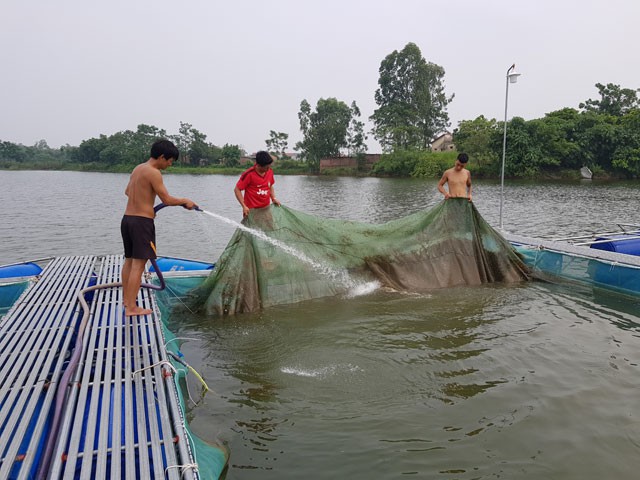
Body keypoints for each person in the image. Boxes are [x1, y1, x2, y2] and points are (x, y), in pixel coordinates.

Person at [121, 139, 198, 317]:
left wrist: (143, 202)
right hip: (142, 223)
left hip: (127, 219)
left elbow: (127, 192)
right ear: (162, 157)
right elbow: (167, 200)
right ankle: (131, 308)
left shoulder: (138, 168)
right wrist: (185, 201)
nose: (170, 164)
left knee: (130, 261)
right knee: (139, 266)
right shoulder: (154, 172)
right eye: (170, 160)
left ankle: (127, 300)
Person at [234, 150, 281, 218]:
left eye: (269, 166)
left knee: (270, 227)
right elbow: (237, 189)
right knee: (252, 228)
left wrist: (273, 198)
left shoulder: (270, 172)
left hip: (266, 209)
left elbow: (270, 186)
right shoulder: (249, 174)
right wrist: (244, 206)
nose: (268, 169)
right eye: (266, 167)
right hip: (251, 211)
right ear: (258, 165)